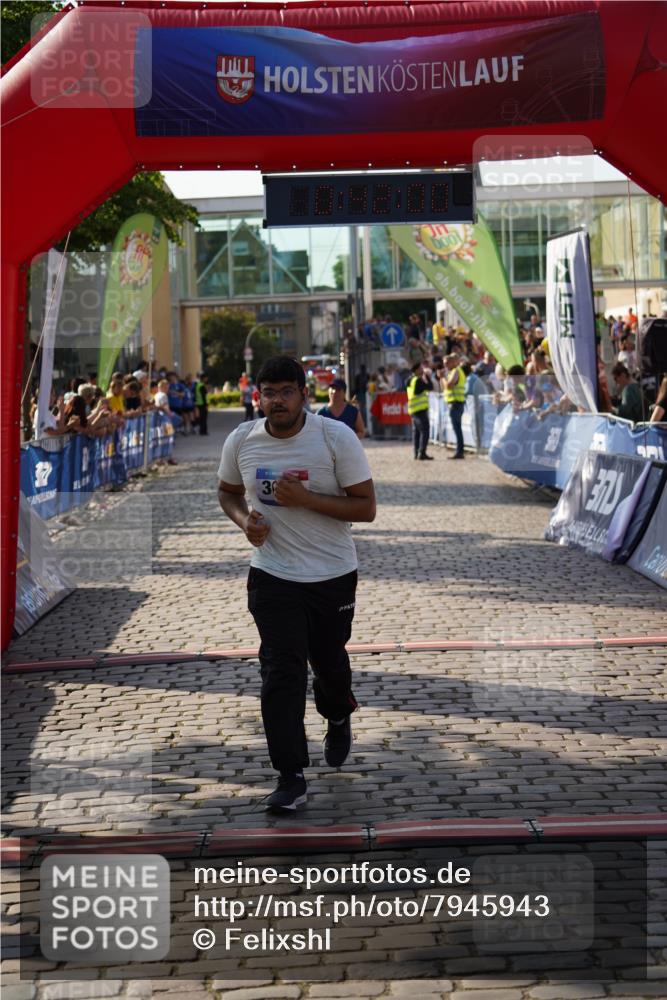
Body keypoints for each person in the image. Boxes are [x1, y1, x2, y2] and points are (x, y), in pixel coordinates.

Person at [217, 356, 376, 813]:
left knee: (328, 663)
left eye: (287, 391)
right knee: (281, 670)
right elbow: (227, 492)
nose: (278, 401)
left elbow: (366, 508)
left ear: (305, 395)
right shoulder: (242, 440)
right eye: (269, 392)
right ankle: (290, 776)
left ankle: (338, 711)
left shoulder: (333, 437)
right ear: (258, 397)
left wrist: (306, 499)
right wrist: (245, 520)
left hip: (331, 575)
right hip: (272, 574)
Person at [406, 361, 434, 460]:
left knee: (416, 433)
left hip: (413, 409)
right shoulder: (418, 380)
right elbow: (430, 387)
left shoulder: (409, 380)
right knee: (425, 431)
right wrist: (428, 378)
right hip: (420, 409)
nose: (423, 370)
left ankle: (416, 453)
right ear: (417, 370)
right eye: (421, 369)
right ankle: (422, 452)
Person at [442, 353, 466, 458]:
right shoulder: (452, 372)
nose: (445, 365)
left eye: (447, 363)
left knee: (457, 428)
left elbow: (449, 386)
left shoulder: (456, 371)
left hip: (456, 403)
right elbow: (444, 387)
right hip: (455, 402)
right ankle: (459, 451)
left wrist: (442, 377)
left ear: (453, 362)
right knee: (457, 428)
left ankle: (459, 451)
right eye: (444, 364)